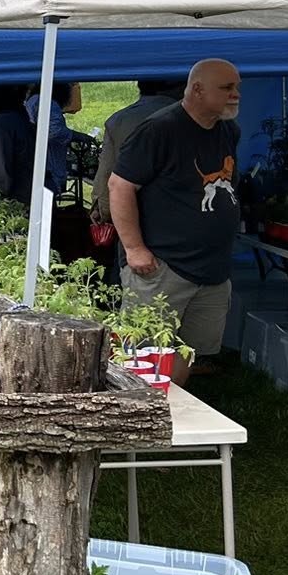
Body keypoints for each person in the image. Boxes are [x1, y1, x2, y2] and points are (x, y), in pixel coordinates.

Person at [108, 59, 243, 384]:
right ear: (197, 89)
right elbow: (119, 185)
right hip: (163, 266)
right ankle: (137, 420)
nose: (236, 95)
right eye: (227, 88)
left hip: (212, 270)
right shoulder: (160, 129)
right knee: (145, 355)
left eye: (237, 87)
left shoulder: (228, 130)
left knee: (187, 353)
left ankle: (170, 415)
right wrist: (134, 248)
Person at [94, 78, 188, 228]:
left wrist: (103, 209)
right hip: (179, 213)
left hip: (130, 211)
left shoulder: (117, 120)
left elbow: (107, 169)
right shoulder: (191, 119)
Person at [24, 80, 84, 195]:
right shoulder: (48, 103)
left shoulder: (33, 100)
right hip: (48, 166)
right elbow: (55, 132)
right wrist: (78, 136)